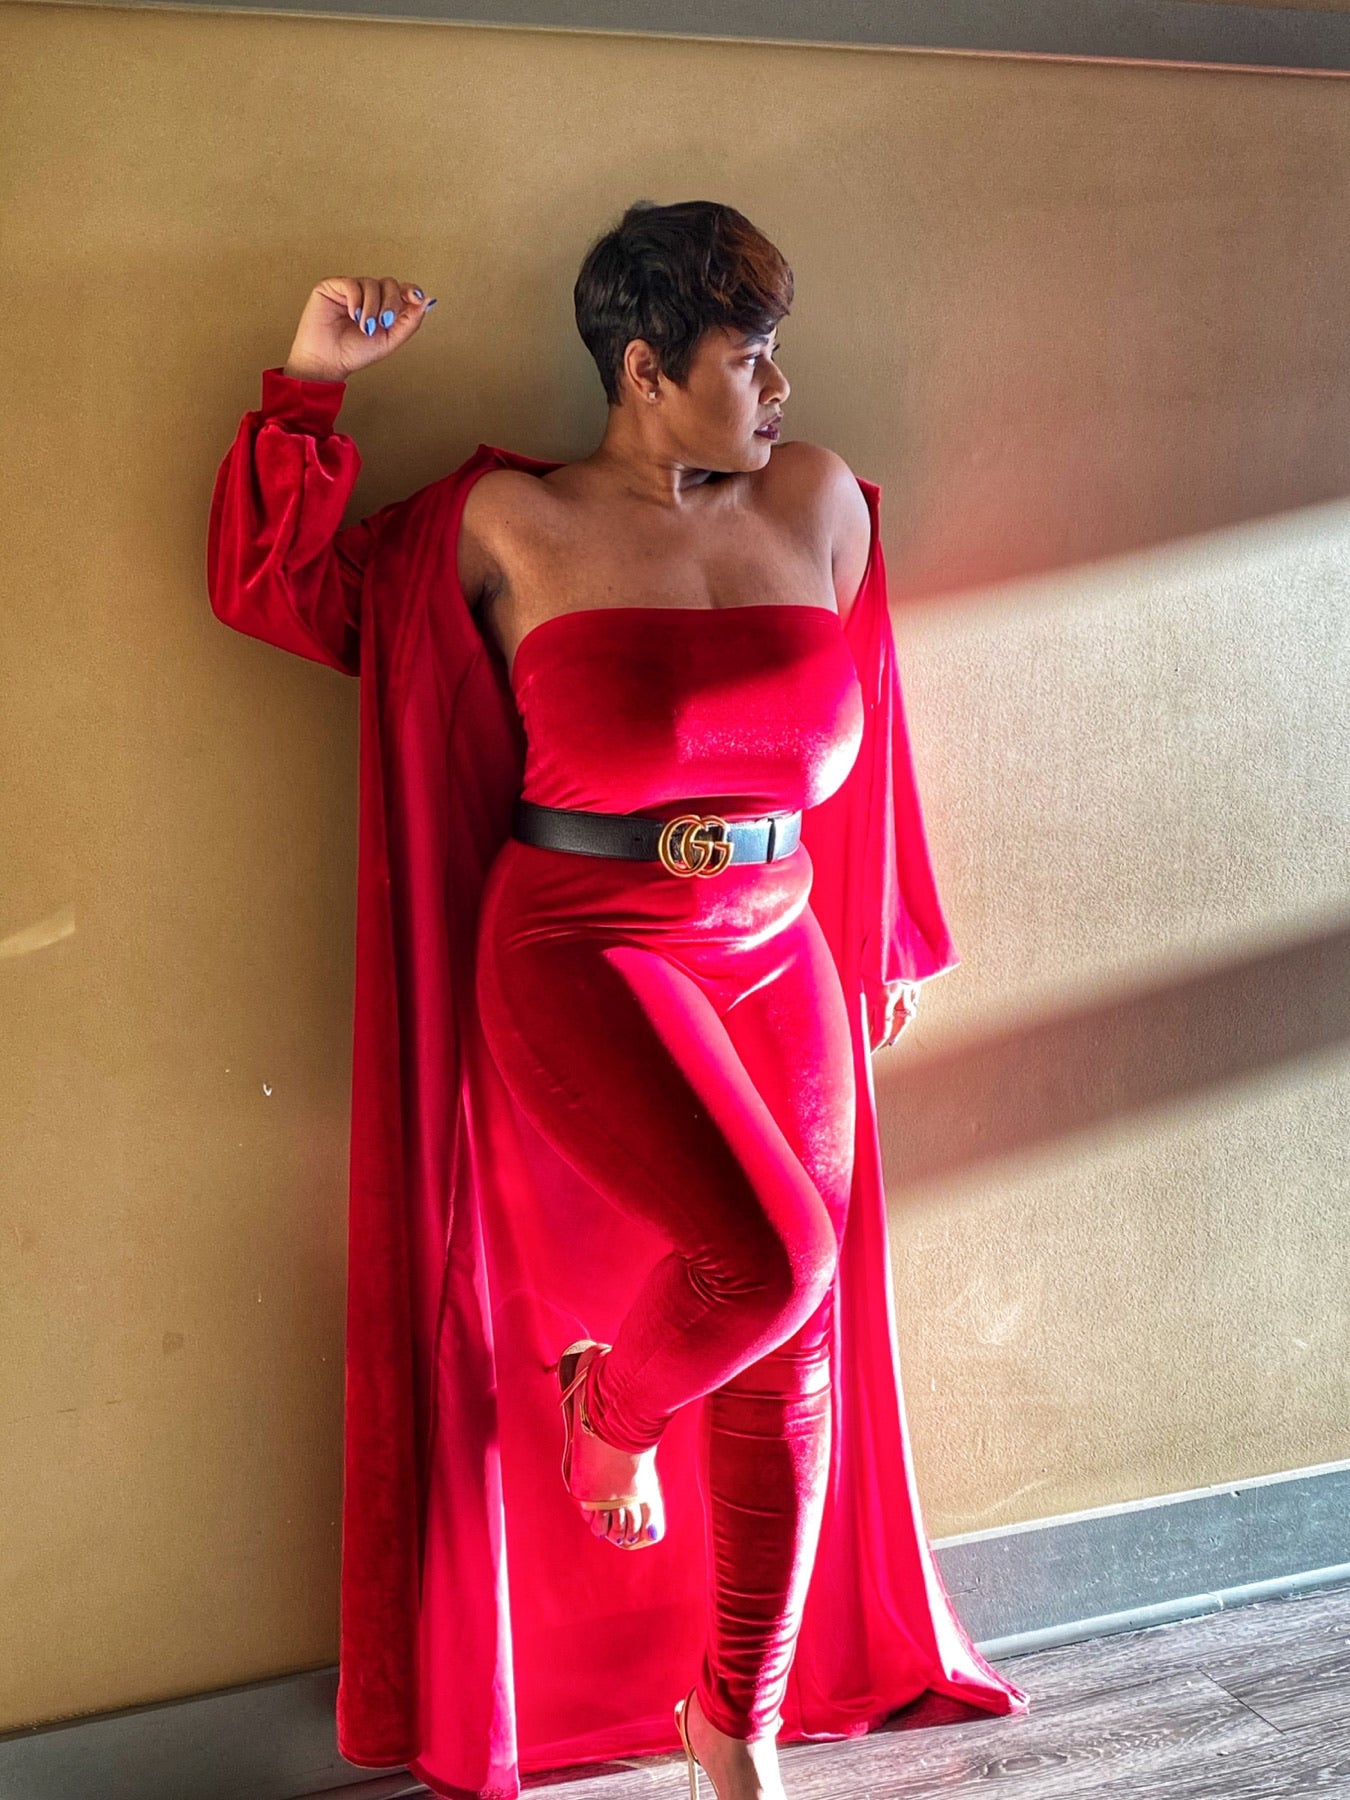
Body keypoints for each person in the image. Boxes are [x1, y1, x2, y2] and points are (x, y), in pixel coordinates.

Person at [206, 199, 1028, 1800]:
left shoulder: (820, 500)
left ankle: (738, 1720)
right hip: (584, 939)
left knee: (794, 1342)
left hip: (778, 937)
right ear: (645, 368)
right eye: (747, 358)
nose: (779, 389)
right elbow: (283, 590)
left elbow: (869, 723)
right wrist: (310, 386)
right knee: (767, 1260)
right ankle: (611, 1407)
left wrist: (878, 934)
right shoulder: (507, 523)